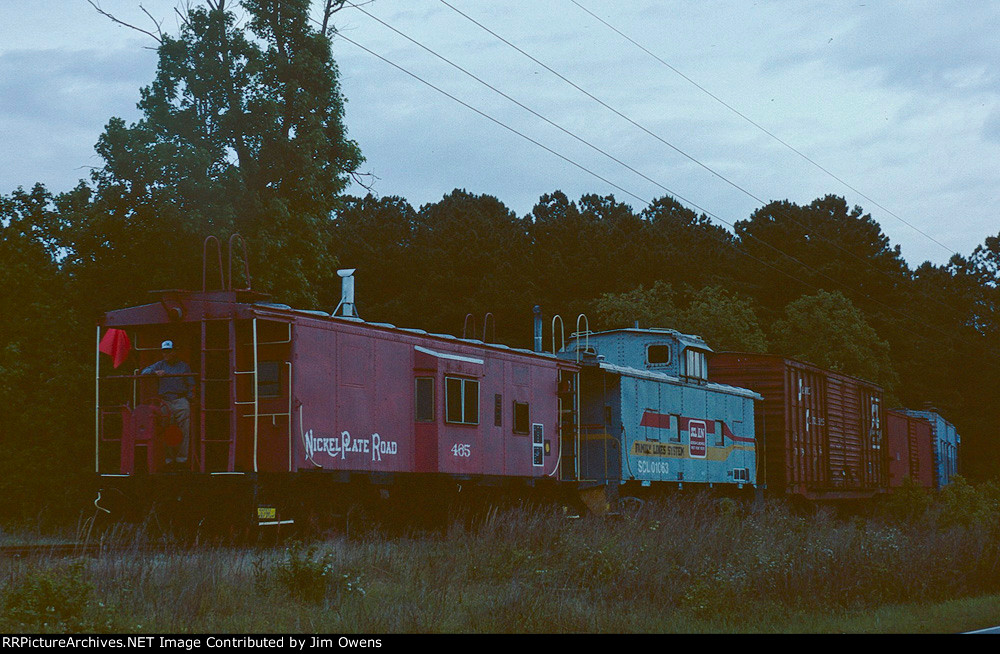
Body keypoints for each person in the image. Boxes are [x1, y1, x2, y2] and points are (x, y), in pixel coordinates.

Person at [142, 340, 194, 466]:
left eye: (168, 351)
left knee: (184, 429)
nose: (165, 354)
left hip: (180, 400)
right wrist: (154, 372)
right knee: (165, 429)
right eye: (164, 351)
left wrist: (189, 398)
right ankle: (169, 459)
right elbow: (144, 372)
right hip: (165, 401)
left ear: (175, 351)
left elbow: (191, 383)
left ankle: (182, 459)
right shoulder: (160, 365)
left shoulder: (184, 366)